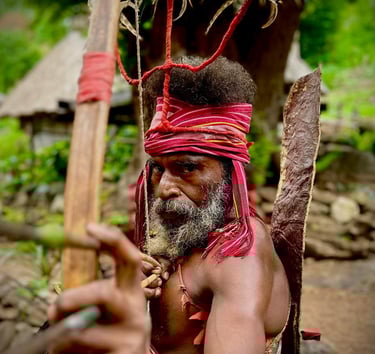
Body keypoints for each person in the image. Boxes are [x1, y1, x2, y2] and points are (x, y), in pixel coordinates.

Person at [49, 56, 290, 354]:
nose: (164, 188)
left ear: (229, 171)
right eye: (158, 169)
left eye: (186, 168)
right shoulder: (188, 234)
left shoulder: (239, 258)